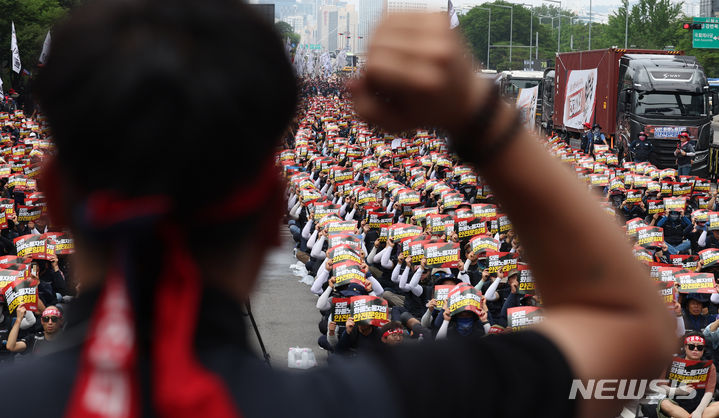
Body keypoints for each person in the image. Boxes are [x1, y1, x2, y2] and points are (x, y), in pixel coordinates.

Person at [0, 3, 675, 418]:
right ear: (274, 211)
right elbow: (631, 339)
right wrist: (478, 123)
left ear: (54, 197)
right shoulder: (380, 403)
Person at [656, 333, 719, 418]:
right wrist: (677, 391)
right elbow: (661, 387)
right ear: (685, 347)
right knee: (664, 404)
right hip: (676, 404)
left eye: (699, 348)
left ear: (703, 350)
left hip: (702, 406)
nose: (695, 350)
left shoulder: (710, 366)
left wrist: (699, 411)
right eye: (691, 347)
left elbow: (709, 392)